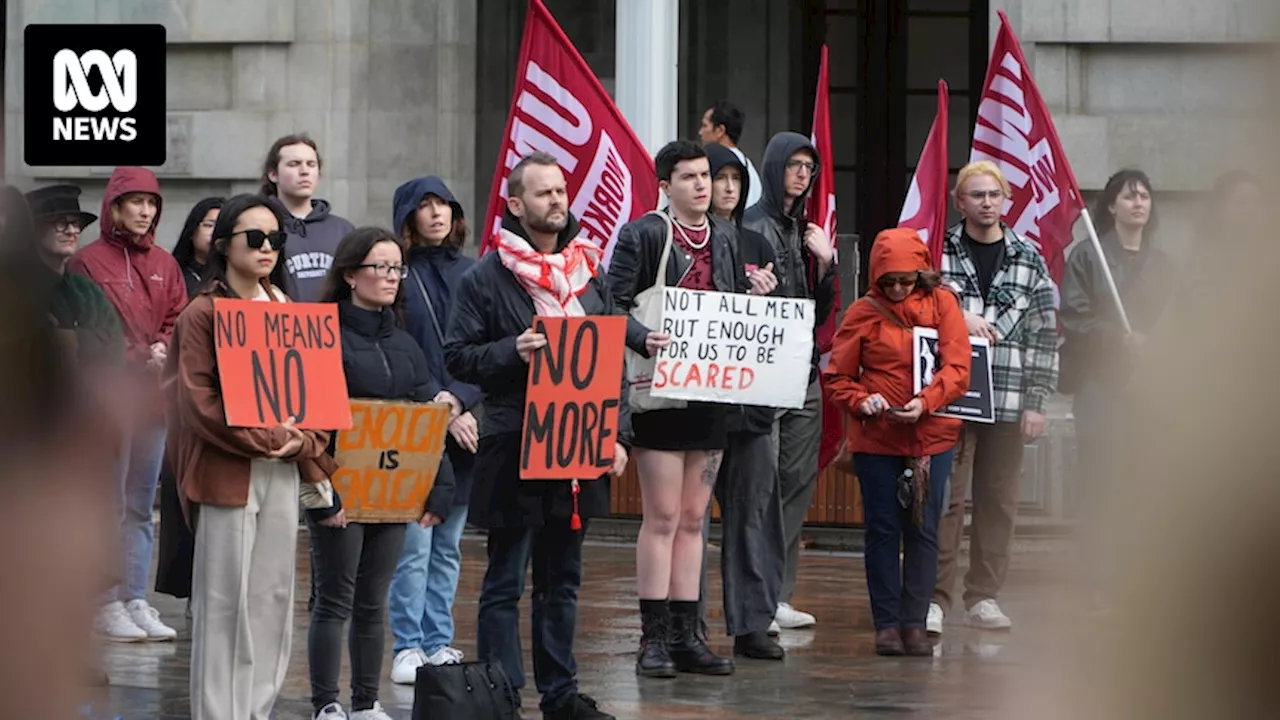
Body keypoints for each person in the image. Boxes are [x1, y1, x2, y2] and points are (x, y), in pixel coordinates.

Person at [445, 151, 633, 720]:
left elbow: (610, 357)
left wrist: (619, 433)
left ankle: (561, 694)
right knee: (506, 580)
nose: (557, 200)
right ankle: (502, 697)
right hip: (514, 443)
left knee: (564, 581)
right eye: (544, 192)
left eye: (561, 191)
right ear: (516, 204)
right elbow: (458, 356)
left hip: (577, 445)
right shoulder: (485, 276)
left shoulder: (588, 272)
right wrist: (513, 350)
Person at [165, 193, 338, 720]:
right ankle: (219, 714)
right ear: (224, 246)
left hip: (283, 469)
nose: (267, 248)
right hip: (226, 471)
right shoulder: (203, 312)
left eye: (276, 239)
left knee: (271, 598)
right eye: (255, 238)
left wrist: (306, 443)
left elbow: (317, 391)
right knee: (223, 604)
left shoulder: (286, 306)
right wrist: (272, 440)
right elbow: (197, 401)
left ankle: (257, 710)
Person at [308, 227, 457, 720]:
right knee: (336, 599)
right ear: (350, 275)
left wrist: (439, 487)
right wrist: (322, 491)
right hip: (339, 488)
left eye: (398, 268)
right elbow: (311, 417)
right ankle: (327, 703)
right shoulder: (322, 335)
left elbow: (424, 419)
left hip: (393, 490)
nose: (392, 277)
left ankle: (365, 703)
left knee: (373, 600)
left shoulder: (407, 344)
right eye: (381, 267)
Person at [608, 140, 743, 679]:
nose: (702, 185)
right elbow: (610, 305)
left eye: (706, 175)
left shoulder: (726, 236)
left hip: (710, 388)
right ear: (665, 185)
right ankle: (653, 638)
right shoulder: (643, 233)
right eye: (688, 177)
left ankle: (688, 636)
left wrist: (756, 294)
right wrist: (644, 338)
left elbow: (732, 308)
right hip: (659, 391)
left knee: (694, 519)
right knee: (662, 517)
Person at [824, 228, 970, 656]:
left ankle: (915, 622)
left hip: (931, 435)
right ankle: (886, 623)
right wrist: (861, 400)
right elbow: (837, 377)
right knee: (883, 529)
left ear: (921, 273)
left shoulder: (943, 303)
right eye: (889, 281)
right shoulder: (862, 312)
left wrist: (926, 402)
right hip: (878, 438)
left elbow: (959, 367)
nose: (899, 289)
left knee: (923, 529)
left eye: (906, 280)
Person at [931, 161, 1060, 634]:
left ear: (1006, 201)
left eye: (995, 195)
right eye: (977, 194)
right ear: (959, 201)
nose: (987, 203)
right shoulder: (936, 253)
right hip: (951, 399)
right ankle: (936, 599)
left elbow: (1046, 335)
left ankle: (983, 596)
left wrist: (1037, 401)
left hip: (1008, 398)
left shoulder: (1029, 257)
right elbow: (916, 312)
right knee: (945, 500)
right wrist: (955, 317)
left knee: (999, 501)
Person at [68, 166, 186, 643]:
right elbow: (92, 327)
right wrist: (142, 353)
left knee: (141, 506)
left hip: (153, 401)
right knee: (108, 503)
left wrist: (164, 348)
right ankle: (104, 601)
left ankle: (135, 598)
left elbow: (179, 314)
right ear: (113, 206)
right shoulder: (87, 262)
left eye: (152, 202)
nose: (145, 210)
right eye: (135, 201)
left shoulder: (165, 263)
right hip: (108, 399)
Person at [1060, 168, 1175, 609]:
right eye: (1129, 197)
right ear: (1112, 206)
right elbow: (1074, 315)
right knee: (1100, 480)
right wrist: (1114, 336)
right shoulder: (1088, 257)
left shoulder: (1162, 264)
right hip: (1101, 385)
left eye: (1144, 196)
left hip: (1148, 389)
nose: (1138, 203)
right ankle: (1095, 579)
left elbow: (1177, 319)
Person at [386, 176, 483, 684]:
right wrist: (441, 404)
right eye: (423, 206)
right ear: (407, 217)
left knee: (448, 544)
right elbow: (398, 350)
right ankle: (407, 644)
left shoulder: (474, 272)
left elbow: (485, 345)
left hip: (462, 423)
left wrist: (462, 399)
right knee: (414, 544)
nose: (436, 213)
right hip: (413, 423)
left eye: (442, 203)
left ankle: (437, 639)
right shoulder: (393, 276)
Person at [694, 143, 786, 659]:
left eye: (735, 179)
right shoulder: (680, 242)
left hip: (750, 404)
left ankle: (753, 622)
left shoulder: (757, 242)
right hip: (699, 403)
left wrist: (766, 298)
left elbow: (784, 322)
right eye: (716, 177)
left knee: (752, 512)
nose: (726, 188)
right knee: (692, 520)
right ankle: (688, 626)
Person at [743, 132, 837, 630]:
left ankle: (779, 595)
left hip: (802, 371)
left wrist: (825, 264)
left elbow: (819, 312)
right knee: (763, 485)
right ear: (774, 165)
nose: (802, 174)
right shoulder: (749, 224)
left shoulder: (805, 231)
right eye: (794, 165)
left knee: (796, 484)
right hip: (761, 374)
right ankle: (757, 596)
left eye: (809, 167)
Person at [156, 196, 226, 612]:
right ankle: (190, 594)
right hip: (183, 402)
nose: (215, 234)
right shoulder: (176, 273)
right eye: (208, 225)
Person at [260, 133, 355, 303]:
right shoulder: (260, 226)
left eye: (311, 164)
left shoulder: (343, 229)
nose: (304, 171)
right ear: (273, 174)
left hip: (335, 325)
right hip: (280, 323)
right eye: (294, 164)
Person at [698, 100, 762, 208]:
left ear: (720, 130)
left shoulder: (710, 163)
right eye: (721, 177)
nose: (700, 132)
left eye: (705, 126)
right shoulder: (748, 166)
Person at [171, 197, 226, 297]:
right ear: (192, 230)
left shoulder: (236, 277)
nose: (215, 232)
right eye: (209, 225)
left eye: (221, 227)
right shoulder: (173, 275)